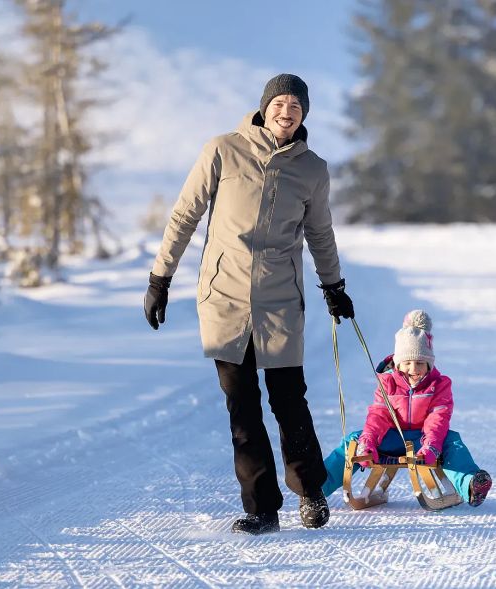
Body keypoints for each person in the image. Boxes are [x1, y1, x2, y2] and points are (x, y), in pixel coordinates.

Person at [143, 73, 355, 535]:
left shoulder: (312, 169)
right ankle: (262, 508)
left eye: (295, 107)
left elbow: (320, 232)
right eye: (280, 103)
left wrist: (333, 285)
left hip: (280, 296)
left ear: (304, 115)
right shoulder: (222, 149)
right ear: (264, 108)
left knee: (288, 400)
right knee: (242, 407)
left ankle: (311, 491)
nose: (286, 112)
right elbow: (185, 214)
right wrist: (161, 277)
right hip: (224, 296)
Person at [321, 310, 492, 507]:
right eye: (407, 363)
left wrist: (431, 446)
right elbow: (379, 415)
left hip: (423, 440)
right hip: (391, 437)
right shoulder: (387, 384)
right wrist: (368, 441)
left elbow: (438, 419)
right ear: (397, 364)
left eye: (420, 363)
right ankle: (318, 485)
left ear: (429, 363)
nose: (413, 369)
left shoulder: (440, 384)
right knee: (353, 440)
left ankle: (471, 484)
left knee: (453, 442)